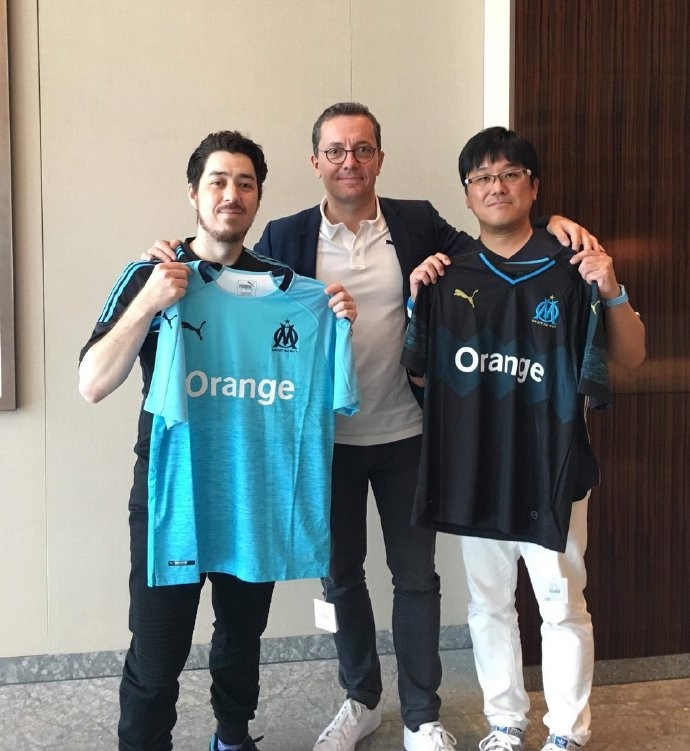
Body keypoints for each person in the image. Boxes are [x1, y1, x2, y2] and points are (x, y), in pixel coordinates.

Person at [146, 102, 602, 751]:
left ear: (380, 159)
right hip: (322, 444)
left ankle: (421, 714)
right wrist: (171, 254)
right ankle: (360, 698)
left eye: (362, 149)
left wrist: (554, 226)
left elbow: (499, 249)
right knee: (341, 578)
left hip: (408, 435)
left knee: (416, 578)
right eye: (335, 150)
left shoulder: (417, 223)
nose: (349, 162)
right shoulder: (287, 235)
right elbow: (227, 283)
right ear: (316, 162)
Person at [78, 130, 357, 751]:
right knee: (157, 655)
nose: (232, 194)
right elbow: (91, 383)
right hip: (173, 497)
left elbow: (331, 391)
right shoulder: (152, 275)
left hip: (255, 494)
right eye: (218, 181)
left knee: (241, 638)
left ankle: (232, 737)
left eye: (245, 183)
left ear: (257, 197)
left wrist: (337, 323)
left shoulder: (294, 294)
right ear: (193, 193)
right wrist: (149, 301)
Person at [404, 126, 645, 751]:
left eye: (510, 174)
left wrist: (611, 288)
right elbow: (420, 374)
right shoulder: (447, 274)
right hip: (475, 468)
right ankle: (505, 722)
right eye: (482, 178)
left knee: (561, 603)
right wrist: (417, 302)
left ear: (533, 187)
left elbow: (632, 356)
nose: (496, 187)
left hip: (552, 467)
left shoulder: (574, 270)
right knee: (488, 605)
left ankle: (567, 731)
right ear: (467, 193)